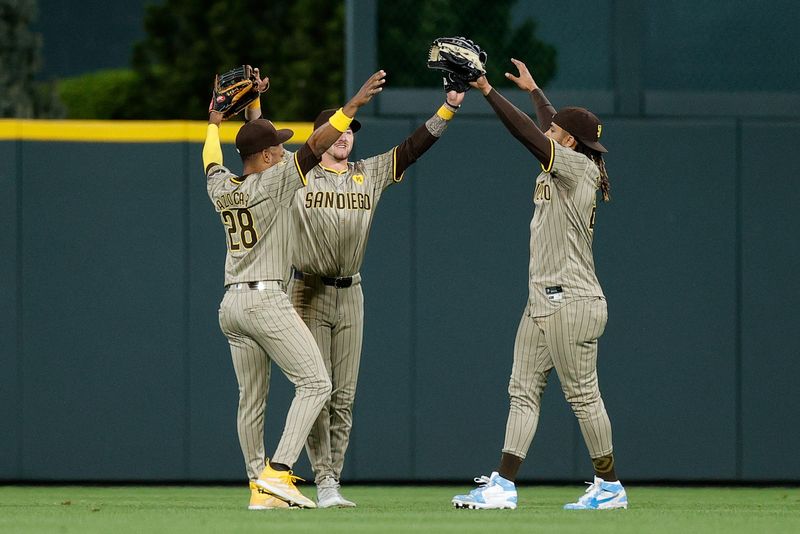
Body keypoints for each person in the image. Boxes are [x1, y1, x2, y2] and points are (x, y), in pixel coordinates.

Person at [203, 67, 387, 510]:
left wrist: (216, 118)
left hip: (231, 304)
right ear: (267, 157)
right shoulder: (277, 180)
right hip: (267, 298)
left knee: (251, 401)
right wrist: (352, 107)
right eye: (277, 146)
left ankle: (257, 485)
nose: (284, 150)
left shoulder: (222, 185)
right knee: (317, 383)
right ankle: (279, 473)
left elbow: (211, 156)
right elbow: (316, 146)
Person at [451, 58, 626, 510]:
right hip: (542, 300)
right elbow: (550, 125)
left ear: (568, 143)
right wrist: (534, 91)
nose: (547, 131)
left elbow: (530, 134)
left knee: (583, 395)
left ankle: (609, 486)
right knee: (522, 390)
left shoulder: (577, 168)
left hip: (573, 299)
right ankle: (503, 487)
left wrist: (488, 90)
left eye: (557, 133)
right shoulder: (572, 153)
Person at [286, 89, 465, 507]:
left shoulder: (369, 173)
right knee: (318, 390)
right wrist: (254, 109)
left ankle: (334, 480)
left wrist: (449, 108)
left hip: (351, 293)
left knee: (344, 396)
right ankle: (323, 479)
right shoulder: (299, 173)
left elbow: (413, 147)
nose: (346, 135)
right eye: (338, 129)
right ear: (319, 137)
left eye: (350, 130)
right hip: (307, 290)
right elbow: (264, 144)